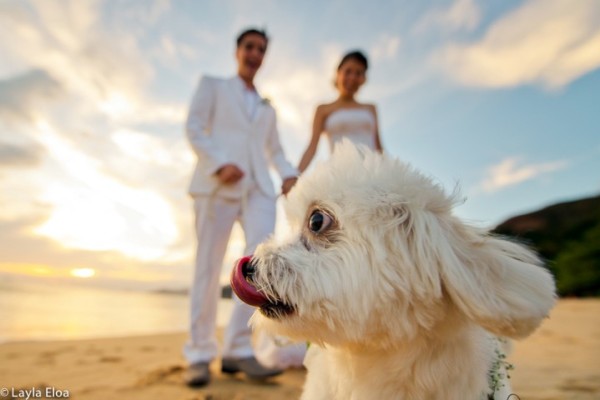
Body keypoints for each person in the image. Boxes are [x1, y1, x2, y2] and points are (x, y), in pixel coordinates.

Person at [183, 27, 299, 387]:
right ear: (237, 51)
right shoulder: (213, 86)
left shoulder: (268, 108)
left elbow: (275, 150)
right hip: (218, 183)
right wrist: (218, 163)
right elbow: (194, 127)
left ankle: (236, 348)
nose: (255, 54)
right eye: (250, 47)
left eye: (261, 49)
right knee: (208, 266)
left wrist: (290, 174)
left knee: (258, 264)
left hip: (260, 190)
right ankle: (200, 353)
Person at [298, 50, 383, 173]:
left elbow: (379, 148)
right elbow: (312, 148)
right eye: (348, 71)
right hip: (340, 175)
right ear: (338, 73)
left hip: (373, 173)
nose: (352, 78)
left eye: (358, 73)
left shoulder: (371, 108)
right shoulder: (323, 109)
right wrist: (294, 176)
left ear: (363, 79)